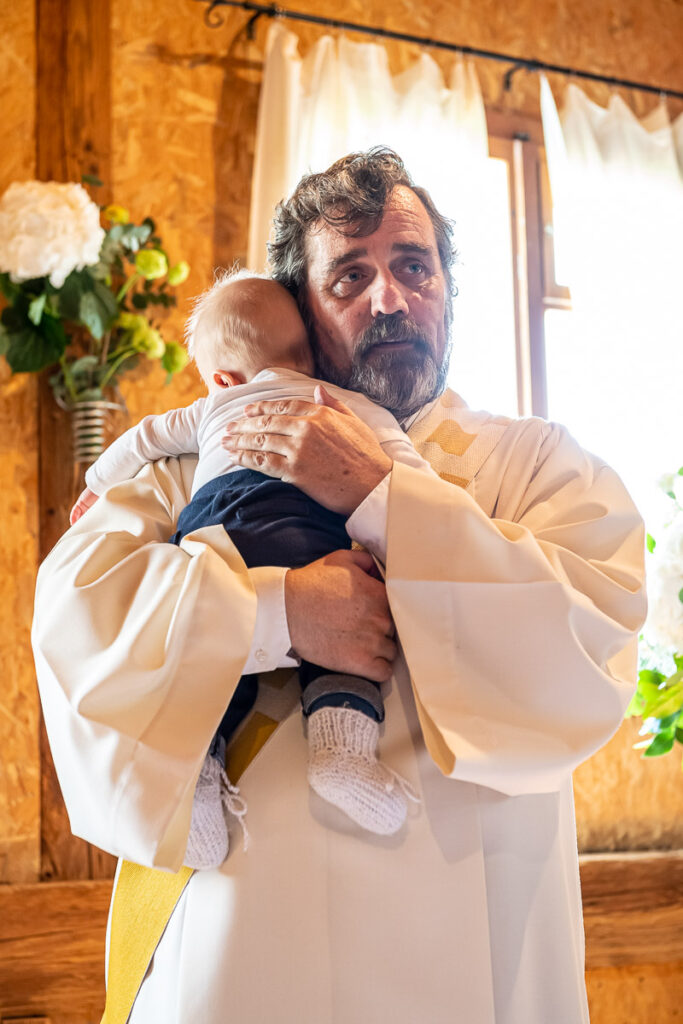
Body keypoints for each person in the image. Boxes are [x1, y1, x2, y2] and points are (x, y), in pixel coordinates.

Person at [32, 148, 646, 1024]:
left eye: (411, 266)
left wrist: (382, 495)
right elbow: (76, 614)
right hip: (237, 937)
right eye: (349, 276)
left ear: (447, 290)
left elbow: (587, 644)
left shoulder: (540, 465)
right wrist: (279, 615)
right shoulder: (200, 457)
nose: (388, 298)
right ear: (299, 314)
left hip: (470, 941)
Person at [72, 269, 428, 862]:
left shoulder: (211, 406)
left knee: (204, 652)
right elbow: (393, 455)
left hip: (214, 524)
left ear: (219, 377)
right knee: (352, 610)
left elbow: (142, 439)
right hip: (300, 518)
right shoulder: (332, 397)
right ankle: (342, 746)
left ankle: (200, 779)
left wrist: (92, 485)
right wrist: (424, 495)